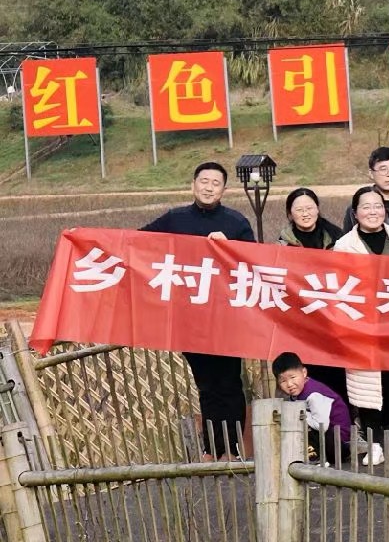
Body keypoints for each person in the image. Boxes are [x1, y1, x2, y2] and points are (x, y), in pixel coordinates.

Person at [141, 162, 255, 459]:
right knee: (206, 385)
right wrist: (88, 237)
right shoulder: (175, 219)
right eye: (204, 181)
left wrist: (230, 248)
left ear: (224, 190)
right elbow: (136, 242)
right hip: (190, 320)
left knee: (230, 383)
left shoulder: (236, 222)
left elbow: (256, 262)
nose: (208, 187)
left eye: (216, 183)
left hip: (227, 319)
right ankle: (212, 449)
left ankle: (233, 450)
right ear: (193, 185)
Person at [333, 185, 389, 467]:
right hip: (362, 327)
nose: (373, 211)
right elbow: (340, 288)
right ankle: (374, 444)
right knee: (367, 389)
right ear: (355, 212)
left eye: (378, 206)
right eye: (366, 206)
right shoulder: (344, 245)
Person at [275, 188, 347, 396]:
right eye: (299, 210)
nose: (305, 213)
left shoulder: (338, 240)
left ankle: (340, 415)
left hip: (333, 322)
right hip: (300, 324)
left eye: (309, 208)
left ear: (318, 209)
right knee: (306, 377)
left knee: (336, 379)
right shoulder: (281, 246)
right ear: (290, 214)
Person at [272, 352, 352, 465]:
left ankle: (316, 458)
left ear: (304, 373)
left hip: (338, 443)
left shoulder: (313, 394)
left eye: (293, 377)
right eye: (283, 381)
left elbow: (321, 425)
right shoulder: (297, 394)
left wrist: (299, 414)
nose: (289, 384)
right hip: (324, 439)